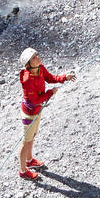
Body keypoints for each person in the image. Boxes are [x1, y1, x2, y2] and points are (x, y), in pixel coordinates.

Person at [17, 47, 76, 180]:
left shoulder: (40, 68)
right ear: (28, 64)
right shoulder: (27, 80)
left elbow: (50, 78)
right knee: (26, 141)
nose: (37, 57)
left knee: (32, 136)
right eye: (34, 57)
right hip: (30, 113)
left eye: (36, 54)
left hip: (37, 110)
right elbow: (35, 99)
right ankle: (22, 170)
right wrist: (50, 93)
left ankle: (29, 160)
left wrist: (64, 78)